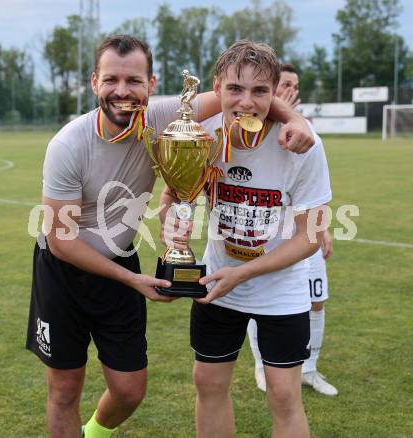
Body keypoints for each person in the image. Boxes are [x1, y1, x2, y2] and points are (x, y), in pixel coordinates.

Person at [25, 34, 316, 438]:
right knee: (65, 388)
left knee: (129, 390)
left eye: (134, 81)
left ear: (152, 84)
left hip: (121, 258)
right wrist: (133, 280)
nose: (122, 91)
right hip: (63, 271)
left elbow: (246, 96)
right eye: (111, 80)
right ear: (94, 82)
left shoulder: (167, 117)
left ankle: (94, 431)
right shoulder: (68, 145)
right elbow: (61, 240)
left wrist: (297, 120)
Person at [160, 40, 331, 438]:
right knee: (208, 382)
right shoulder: (200, 134)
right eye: (235, 88)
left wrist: (246, 272)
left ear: (275, 94)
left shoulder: (304, 145)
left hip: (281, 291)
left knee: (284, 396)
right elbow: (171, 196)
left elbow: (309, 238)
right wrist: (170, 225)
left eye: (259, 91)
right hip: (219, 284)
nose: (246, 102)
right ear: (217, 88)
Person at [247, 63, 338, 396]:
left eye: (294, 85)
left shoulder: (307, 132)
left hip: (303, 235)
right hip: (267, 238)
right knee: (259, 302)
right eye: (284, 84)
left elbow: (316, 188)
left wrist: (322, 229)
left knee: (316, 298)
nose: (290, 91)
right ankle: (261, 366)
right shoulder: (254, 129)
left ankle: (310, 369)